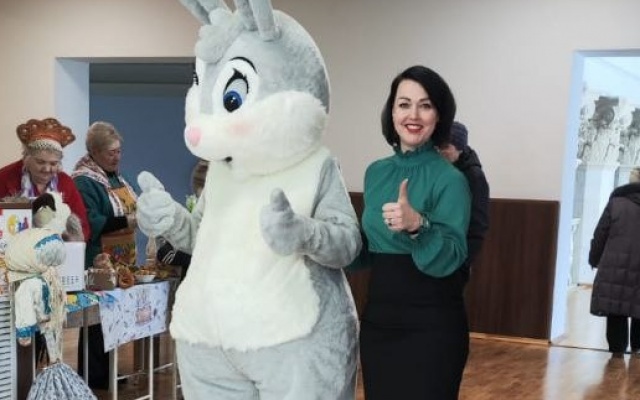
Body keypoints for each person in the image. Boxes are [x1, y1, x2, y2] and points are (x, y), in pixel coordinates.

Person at [355, 65, 471, 399]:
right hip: (379, 321)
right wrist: (321, 238)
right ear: (392, 112)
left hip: (433, 326)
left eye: (426, 105)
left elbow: (452, 256)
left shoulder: (451, 180)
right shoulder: (376, 173)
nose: (413, 115)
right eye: (404, 104)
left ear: (439, 115)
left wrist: (418, 225)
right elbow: (365, 251)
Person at [71, 121, 140, 389]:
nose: (117, 157)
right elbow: (90, 221)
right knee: (95, 320)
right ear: (95, 152)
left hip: (121, 256)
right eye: (111, 152)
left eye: (119, 151)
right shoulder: (84, 181)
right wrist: (126, 221)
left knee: (111, 318)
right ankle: (92, 375)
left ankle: (107, 371)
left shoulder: (115, 178)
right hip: (97, 258)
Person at [0, 117, 90, 241]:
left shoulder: (66, 183)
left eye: (53, 163)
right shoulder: (5, 177)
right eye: (40, 162)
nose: (47, 169)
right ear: (26, 158)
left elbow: (83, 226)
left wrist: (70, 238)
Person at [590, 166, 640, 358]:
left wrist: (594, 258)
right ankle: (637, 349)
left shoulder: (616, 202)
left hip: (614, 265)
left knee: (616, 307)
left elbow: (600, 234)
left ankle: (617, 352)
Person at [438, 121, 490, 282]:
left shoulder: (474, 177)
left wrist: (460, 263)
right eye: (437, 146)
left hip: (455, 262)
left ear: (460, 148)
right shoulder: (441, 171)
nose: (439, 151)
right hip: (433, 255)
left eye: (445, 147)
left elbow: (478, 226)